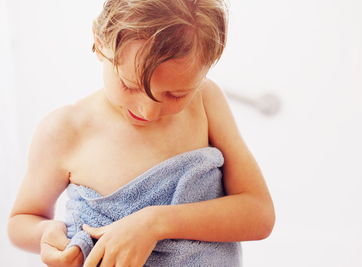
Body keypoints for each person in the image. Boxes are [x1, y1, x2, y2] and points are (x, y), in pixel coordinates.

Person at [7, 0, 275, 266]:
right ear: (100, 43)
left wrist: (154, 223)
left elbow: (258, 213)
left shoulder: (205, 101)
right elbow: (22, 220)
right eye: (130, 85)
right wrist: (47, 234)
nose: (147, 112)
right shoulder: (65, 130)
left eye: (175, 94)